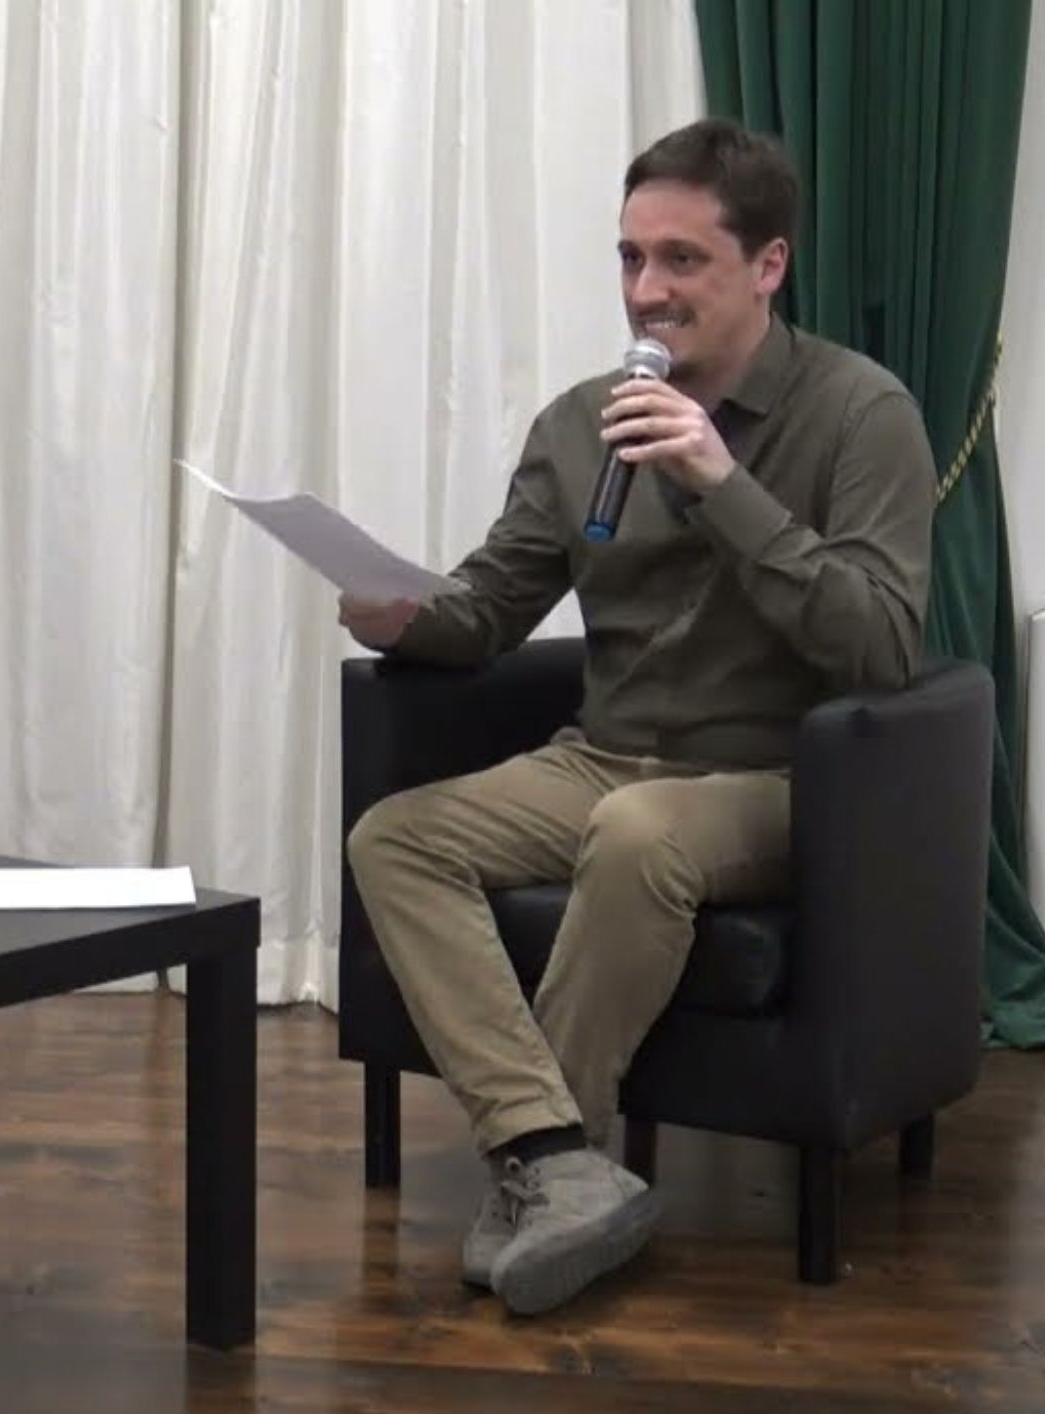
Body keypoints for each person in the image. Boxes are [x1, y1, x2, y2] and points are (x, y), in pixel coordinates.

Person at [340, 119, 935, 1316]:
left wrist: (723, 484)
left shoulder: (859, 412)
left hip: (784, 777)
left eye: (679, 260)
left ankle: (537, 1177)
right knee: (395, 838)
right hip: (604, 759)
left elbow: (880, 644)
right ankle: (550, 1161)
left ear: (766, 265)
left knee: (638, 834)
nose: (644, 292)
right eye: (628, 257)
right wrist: (402, 617)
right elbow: (491, 608)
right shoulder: (582, 424)